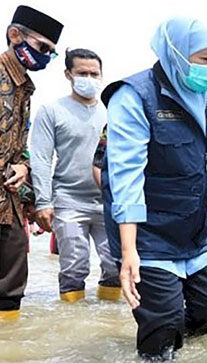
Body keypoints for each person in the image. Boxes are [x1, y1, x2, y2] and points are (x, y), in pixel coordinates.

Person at [101, 17, 207, 360]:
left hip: (196, 231)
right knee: (162, 321)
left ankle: (178, 353)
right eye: (205, 59)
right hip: (147, 234)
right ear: (176, 54)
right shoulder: (134, 96)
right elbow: (125, 176)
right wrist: (128, 250)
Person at [30, 48, 120, 303]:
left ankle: (107, 323)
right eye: (83, 73)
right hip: (68, 199)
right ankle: (70, 318)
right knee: (74, 266)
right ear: (68, 74)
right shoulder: (51, 110)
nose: (89, 78)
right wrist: (44, 202)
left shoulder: (113, 112)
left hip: (108, 201)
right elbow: (41, 158)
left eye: (94, 73)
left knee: (115, 264)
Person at [0, 5, 63, 321]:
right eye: (43, 48)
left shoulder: (24, 89)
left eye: (52, 53)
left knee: (12, 283)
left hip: (7, 200)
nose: (47, 58)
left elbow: (19, 146)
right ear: (15, 35)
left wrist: (24, 168)